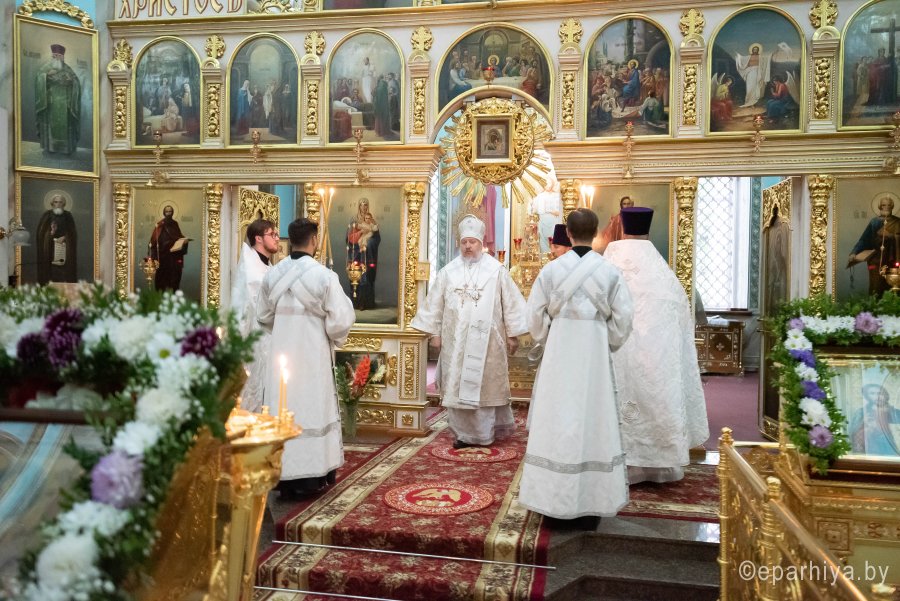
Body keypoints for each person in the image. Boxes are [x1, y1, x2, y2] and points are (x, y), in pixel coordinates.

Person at [518, 208, 634, 524]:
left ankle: (551, 501)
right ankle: (591, 501)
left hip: (559, 354)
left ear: (568, 234)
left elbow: (534, 316)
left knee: (557, 418)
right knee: (594, 417)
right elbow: (623, 319)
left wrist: (550, 335)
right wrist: (606, 339)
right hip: (593, 355)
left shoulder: (551, 271)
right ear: (595, 233)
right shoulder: (609, 272)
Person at [603, 207, 710, 485]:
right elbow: (680, 317)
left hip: (617, 352)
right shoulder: (662, 273)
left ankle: (618, 464)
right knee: (656, 397)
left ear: (623, 227)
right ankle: (659, 466)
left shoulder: (610, 263)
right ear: (647, 230)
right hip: (656, 357)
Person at [256, 218, 356, 499]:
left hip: (281, 357)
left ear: (290, 241)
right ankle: (312, 475)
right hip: (312, 357)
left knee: (283, 407)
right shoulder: (324, 276)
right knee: (312, 408)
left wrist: (284, 328)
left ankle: (282, 475)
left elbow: (263, 315)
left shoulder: (273, 275)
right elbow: (340, 321)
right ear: (314, 240)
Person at [411, 215, 527, 449]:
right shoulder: (448, 272)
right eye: (464, 242)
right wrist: (434, 334)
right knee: (458, 383)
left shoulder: (496, 270)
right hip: (456, 341)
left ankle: (485, 432)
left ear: (480, 243)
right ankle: (463, 434)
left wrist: (512, 334)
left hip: (489, 341)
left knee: (484, 387)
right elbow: (435, 304)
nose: (467, 246)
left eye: (472, 242)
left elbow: (511, 303)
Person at [230, 219, 278, 411]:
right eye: (272, 234)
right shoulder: (250, 270)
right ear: (258, 238)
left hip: (268, 338)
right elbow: (243, 310)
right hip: (253, 340)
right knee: (252, 391)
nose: (277, 238)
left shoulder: (268, 267)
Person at [847, 195, 900, 296]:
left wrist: (890, 236)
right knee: (876, 288)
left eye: (889, 205)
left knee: (893, 289)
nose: (886, 207)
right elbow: (864, 240)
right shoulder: (874, 222)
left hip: (893, 261)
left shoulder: (898, 222)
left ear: (892, 207)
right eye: (884, 205)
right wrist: (854, 252)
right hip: (876, 261)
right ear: (880, 207)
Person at [34, 44, 82, 155]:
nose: (57, 58)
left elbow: (76, 82)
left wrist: (72, 81)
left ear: (63, 57)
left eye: (59, 56)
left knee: (65, 125)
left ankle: (65, 149)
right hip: (50, 103)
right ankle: (50, 147)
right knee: (51, 124)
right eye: (54, 55)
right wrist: (46, 76)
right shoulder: (46, 68)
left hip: (65, 104)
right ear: (52, 56)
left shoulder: (68, 69)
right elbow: (38, 78)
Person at [346, 198, 381, 310]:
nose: (364, 207)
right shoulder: (354, 220)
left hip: (368, 255)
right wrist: (360, 234)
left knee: (367, 277)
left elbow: (377, 238)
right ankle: (355, 303)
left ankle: (367, 303)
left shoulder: (372, 220)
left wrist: (369, 244)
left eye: (366, 205)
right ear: (359, 206)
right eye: (362, 205)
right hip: (356, 253)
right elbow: (349, 238)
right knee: (356, 277)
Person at [36, 192, 78, 284]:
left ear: (64, 204)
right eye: (56, 202)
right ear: (52, 203)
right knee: (50, 271)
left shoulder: (68, 215)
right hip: (49, 249)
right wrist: (50, 234)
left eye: (60, 202)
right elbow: (41, 233)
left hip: (64, 248)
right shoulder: (47, 215)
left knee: (64, 271)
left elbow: (72, 232)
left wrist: (65, 237)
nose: (58, 204)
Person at [849, 384, 900, 457]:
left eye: (879, 393)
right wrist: (864, 422)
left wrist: (888, 409)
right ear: (867, 396)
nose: (877, 396)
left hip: (886, 444)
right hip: (870, 445)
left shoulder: (888, 410)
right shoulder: (861, 412)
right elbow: (853, 431)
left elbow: (897, 418)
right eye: (872, 393)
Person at [149, 204, 189, 292]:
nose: (168, 213)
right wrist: (168, 243)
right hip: (163, 257)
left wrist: (184, 241)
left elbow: (178, 236)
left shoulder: (175, 224)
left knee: (174, 279)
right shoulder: (160, 225)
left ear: (173, 212)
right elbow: (155, 241)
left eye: (170, 211)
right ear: (164, 213)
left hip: (174, 258)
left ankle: (173, 295)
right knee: (162, 281)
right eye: (166, 211)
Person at [528, 177, 562, 253]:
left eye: (549, 183)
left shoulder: (557, 196)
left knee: (555, 241)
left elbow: (560, 211)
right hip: (543, 222)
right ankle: (545, 257)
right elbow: (534, 210)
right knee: (543, 242)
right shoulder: (539, 196)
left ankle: (554, 256)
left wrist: (554, 212)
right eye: (546, 183)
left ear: (552, 184)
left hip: (554, 221)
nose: (548, 185)